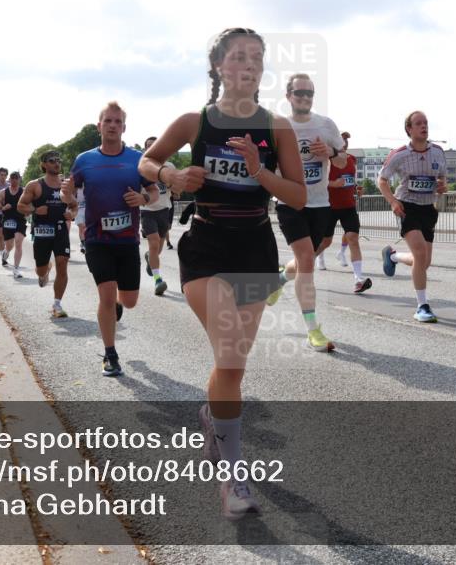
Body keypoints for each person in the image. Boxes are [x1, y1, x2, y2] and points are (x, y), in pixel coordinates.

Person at [139, 28, 305, 520]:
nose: (248, 65)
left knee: (232, 366)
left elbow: (296, 196)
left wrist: (260, 172)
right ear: (218, 67)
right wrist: (170, 175)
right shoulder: (195, 122)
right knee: (230, 354)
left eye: (256, 57)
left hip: (255, 247)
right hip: (206, 245)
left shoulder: (277, 129)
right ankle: (233, 478)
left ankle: (214, 414)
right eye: (238, 57)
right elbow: (148, 160)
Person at [63, 102, 158, 376]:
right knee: (105, 295)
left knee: (128, 301)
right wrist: (67, 195)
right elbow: (69, 196)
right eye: (108, 121)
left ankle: (118, 302)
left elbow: (153, 191)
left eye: (118, 121)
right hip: (97, 239)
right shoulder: (84, 160)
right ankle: (110, 354)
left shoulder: (137, 159)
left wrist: (143, 198)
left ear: (124, 127)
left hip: (128, 240)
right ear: (99, 126)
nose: (113, 125)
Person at [265, 73, 347, 352]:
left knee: (310, 256)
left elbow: (343, 158)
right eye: (299, 93)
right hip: (289, 202)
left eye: (309, 93)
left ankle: (278, 279)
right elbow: (263, 160)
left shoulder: (325, 125)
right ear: (288, 96)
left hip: (320, 202)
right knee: (307, 262)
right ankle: (314, 330)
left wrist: (330, 152)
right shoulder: (278, 125)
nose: (304, 98)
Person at [378, 110, 447, 323]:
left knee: (424, 262)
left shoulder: (437, 151)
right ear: (409, 129)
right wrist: (392, 201)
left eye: (425, 122)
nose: (424, 126)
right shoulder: (399, 154)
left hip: (428, 208)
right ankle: (422, 306)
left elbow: (443, 177)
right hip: (407, 206)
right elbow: (382, 180)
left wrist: (443, 185)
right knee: (419, 252)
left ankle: (393, 257)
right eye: (418, 123)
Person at [314, 132, 371, 293]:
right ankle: (307, 262)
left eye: (346, 140)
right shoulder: (326, 160)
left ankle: (358, 279)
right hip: (329, 207)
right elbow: (316, 181)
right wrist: (333, 184)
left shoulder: (352, 159)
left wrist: (356, 188)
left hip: (348, 206)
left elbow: (350, 179)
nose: (344, 143)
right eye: (341, 140)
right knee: (325, 242)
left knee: (353, 238)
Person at [18, 150, 72, 317]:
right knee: (40, 270)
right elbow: (21, 206)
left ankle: (57, 305)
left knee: (62, 264)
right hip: (42, 230)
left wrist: (72, 214)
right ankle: (45, 270)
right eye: (51, 160)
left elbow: (74, 205)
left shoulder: (66, 185)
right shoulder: (35, 185)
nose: (56, 163)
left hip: (61, 229)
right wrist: (35, 209)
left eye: (58, 160)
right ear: (43, 165)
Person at [140, 136, 176, 296]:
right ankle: (157, 280)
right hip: (147, 211)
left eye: (154, 145)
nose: (151, 148)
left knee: (158, 249)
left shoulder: (169, 166)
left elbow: (175, 189)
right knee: (154, 244)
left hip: (164, 210)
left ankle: (150, 257)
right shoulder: (140, 167)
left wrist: (173, 185)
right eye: (148, 146)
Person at [0, 171, 26, 278]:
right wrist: (3, 207)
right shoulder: (3, 192)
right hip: (8, 220)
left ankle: (16, 269)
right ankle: (5, 252)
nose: (14, 180)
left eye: (16, 178)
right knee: (9, 246)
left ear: (19, 179)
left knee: (18, 242)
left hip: (20, 220)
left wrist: (26, 210)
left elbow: (31, 203)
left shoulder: (24, 191)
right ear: (9, 179)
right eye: (12, 178)